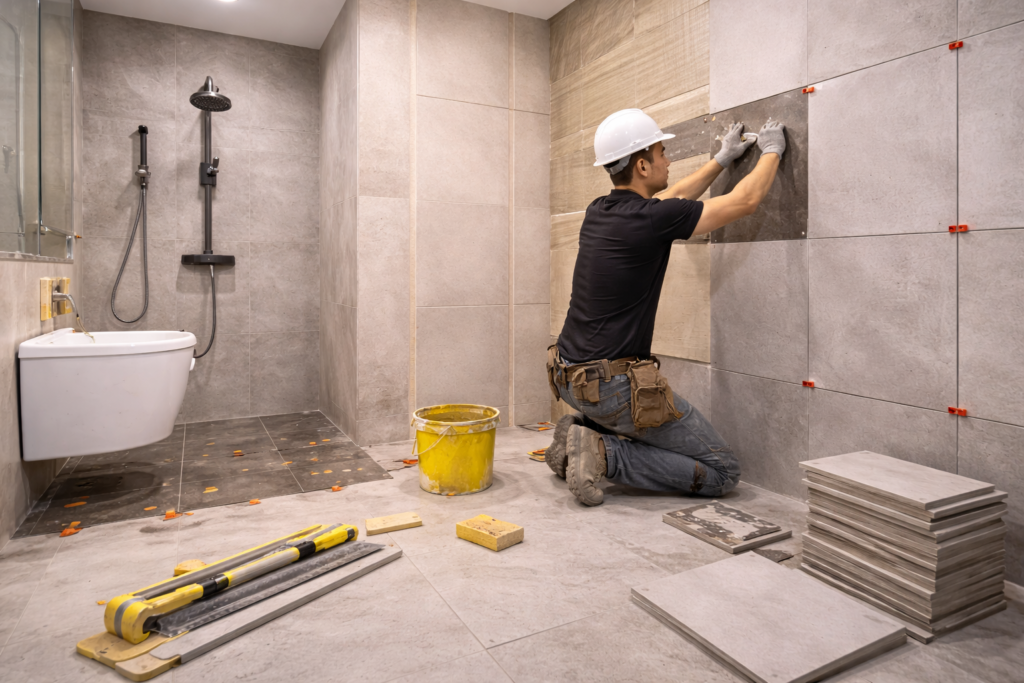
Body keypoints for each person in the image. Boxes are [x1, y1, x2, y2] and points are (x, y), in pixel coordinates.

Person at [545, 108, 786, 506]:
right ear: (642, 164)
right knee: (723, 472)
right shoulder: (651, 219)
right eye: (661, 152)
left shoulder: (599, 211)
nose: (668, 160)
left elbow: (670, 199)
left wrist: (721, 160)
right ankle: (604, 454)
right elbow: (746, 200)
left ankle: (578, 434)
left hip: (569, 378)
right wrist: (772, 151)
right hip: (610, 388)